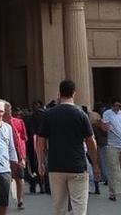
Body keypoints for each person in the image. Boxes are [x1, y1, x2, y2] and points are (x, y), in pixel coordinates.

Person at [34, 79, 98, 215]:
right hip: (77, 165)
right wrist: (95, 164)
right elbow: (90, 142)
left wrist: (40, 162)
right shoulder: (81, 114)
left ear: (59, 94)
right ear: (74, 94)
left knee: (59, 208)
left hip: (56, 166)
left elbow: (40, 141)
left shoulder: (49, 114)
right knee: (79, 207)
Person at [101, 99, 121, 201]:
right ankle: (112, 193)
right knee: (112, 170)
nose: (117, 107)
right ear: (112, 105)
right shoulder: (107, 113)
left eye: (119, 105)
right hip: (112, 145)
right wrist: (107, 127)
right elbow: (104, 127)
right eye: (115, 105)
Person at [2, 103, 27, 211]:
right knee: (4, 178)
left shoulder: (18, 122)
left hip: (17, 153)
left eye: (10, 110)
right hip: (3, 154)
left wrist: (23, 156)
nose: (9, 112)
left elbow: (24, 138)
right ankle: (3, 200)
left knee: (19, 177)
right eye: (7, 110)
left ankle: (20, 200)